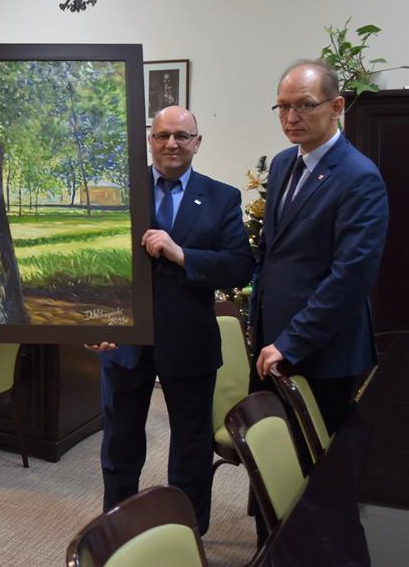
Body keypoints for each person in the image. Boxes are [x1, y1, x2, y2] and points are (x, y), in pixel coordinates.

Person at [87, 106, 254, 534]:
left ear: (197, 143)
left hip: (189, 343)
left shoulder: (221, 197)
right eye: (162, 135)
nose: (171, 143)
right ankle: (118, 534)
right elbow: (97, 268)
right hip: (124, 344)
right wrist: (95, 324)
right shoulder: (123, 193)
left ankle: (187, 534)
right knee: (120, 445)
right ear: (150, 140)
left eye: (182, 135)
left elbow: (239, 267)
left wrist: (182, 255)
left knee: (191, 447)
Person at [250, 60, 389, 435]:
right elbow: (270, 250)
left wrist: (291, 342)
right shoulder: (283, 163)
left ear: (336, 107)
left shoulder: (359, 177)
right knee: (274, 451)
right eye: (283, 106)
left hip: (324, 351)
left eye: (305, 105)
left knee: (318, 462)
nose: (291, 117)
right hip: (273, 341)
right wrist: (258, 324)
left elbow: (351, 278)